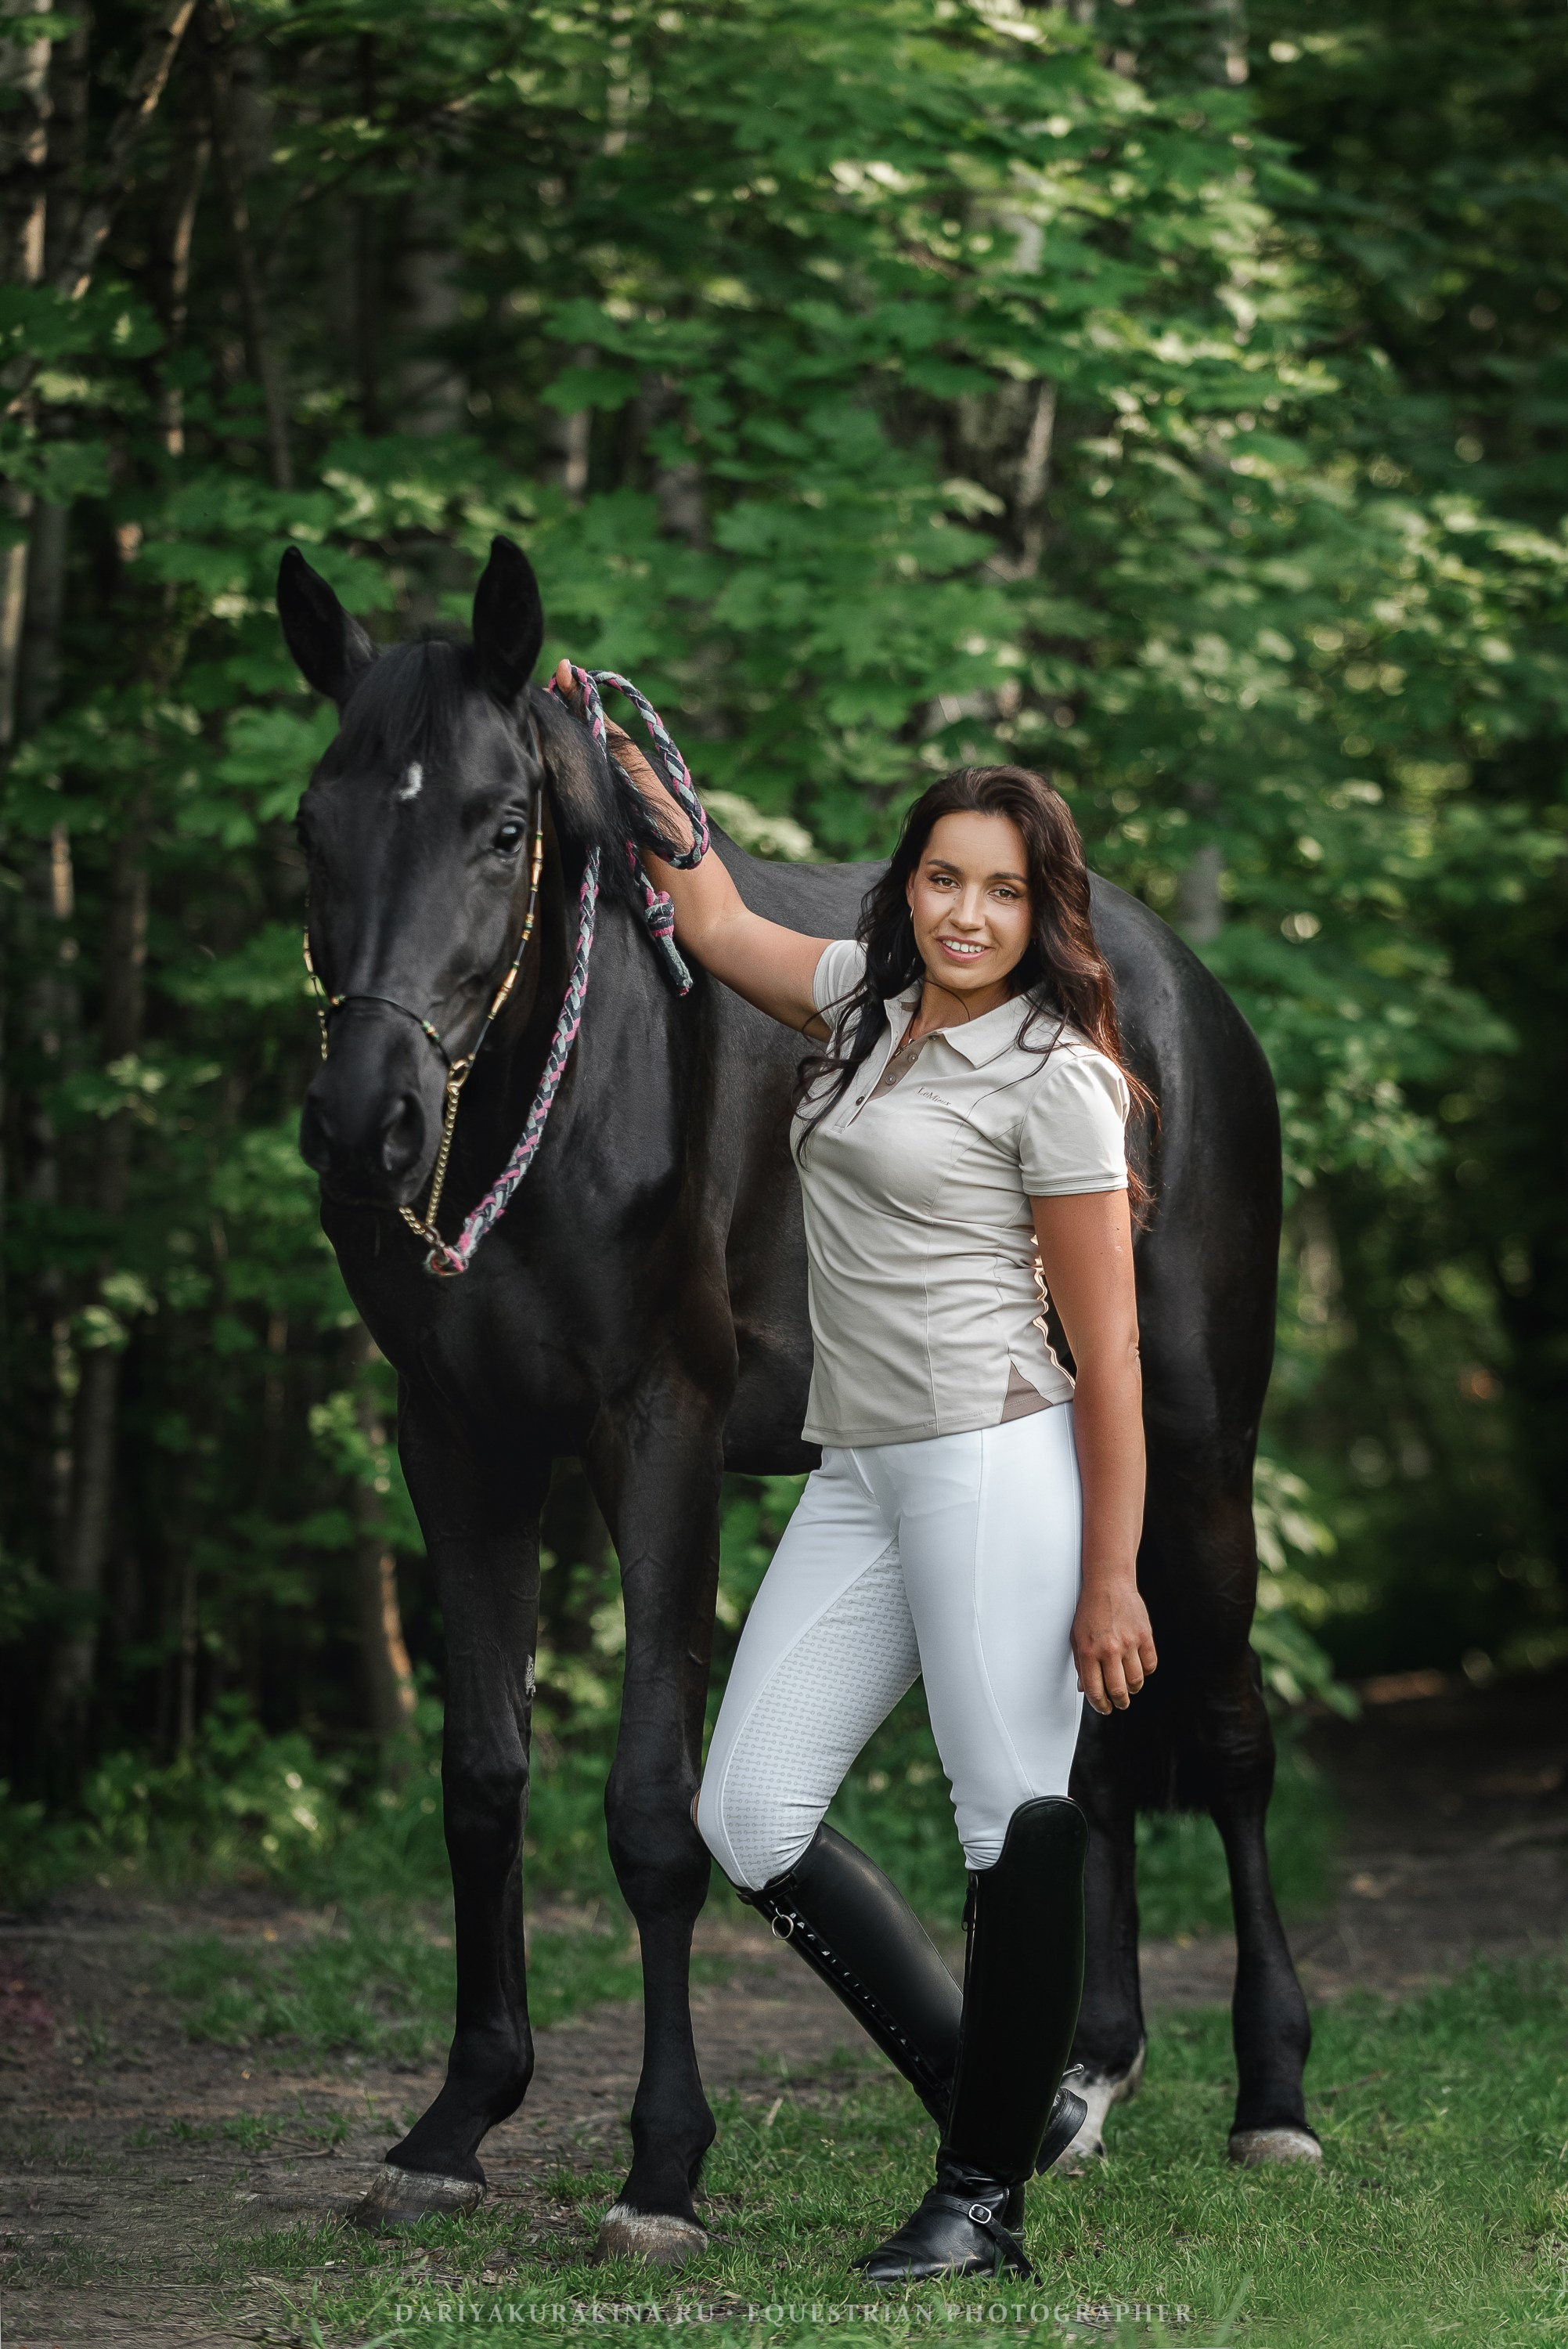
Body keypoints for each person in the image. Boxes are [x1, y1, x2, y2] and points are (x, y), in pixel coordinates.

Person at [557, 666, 1157, 2286]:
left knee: (1004, 1816)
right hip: (861, 1470)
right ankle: (1003, 2101)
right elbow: (725, 925)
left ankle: (982, 2208)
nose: (968, 914)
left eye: (1004, 891)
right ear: (910, 889)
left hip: (994, 1467)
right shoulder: (869, 1006)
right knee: (749, 1812)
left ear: (1046, 912)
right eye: (945, 879)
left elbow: (1113, 1355)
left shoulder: (1060, 1078)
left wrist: (1112, 1573)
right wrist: (614, 757)